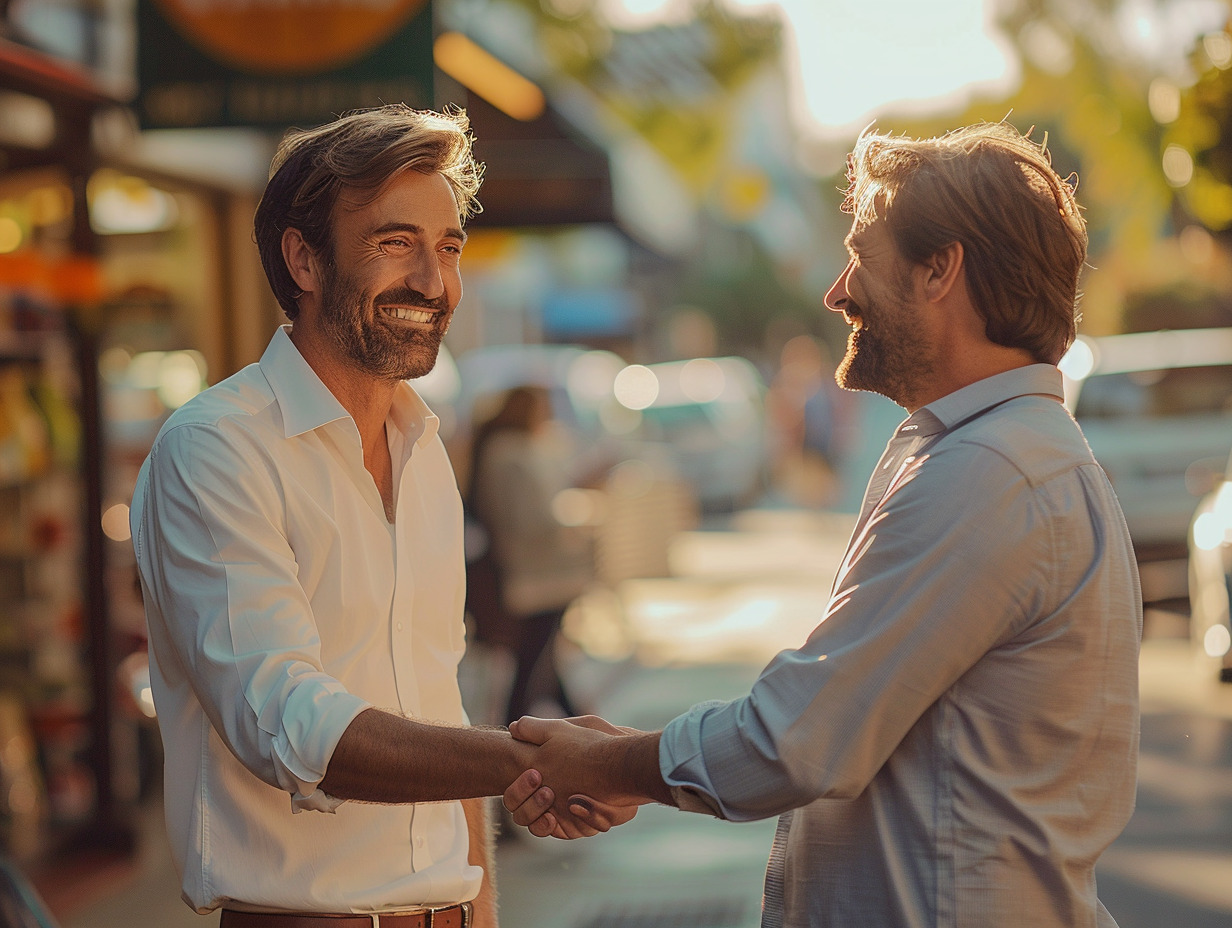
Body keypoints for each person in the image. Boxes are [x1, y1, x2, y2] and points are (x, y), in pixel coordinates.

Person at [503, 121, 1143, 928]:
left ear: (940, 268)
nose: (837, 291)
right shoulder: (1004, 458)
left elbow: (797, 740)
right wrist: (626, 761)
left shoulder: (991, 472)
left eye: (861, 254)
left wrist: (611, 763)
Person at [129, 104, 619, 928]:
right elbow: (286, 721)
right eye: (397, 244)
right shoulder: (215, 450)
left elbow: (438, 704)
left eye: (449, 248)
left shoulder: (425, 452)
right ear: (304, 259)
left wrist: (481, 905)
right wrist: (527, 762)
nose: (433, 282)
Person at [467, 384, 592, 723]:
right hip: (537, 574)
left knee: (541, 658)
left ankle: (580, 723)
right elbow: (529, 518)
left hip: (538, 572)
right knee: (533, 661)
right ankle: (519, 733)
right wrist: (574, 520)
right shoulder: (512, 453)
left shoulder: (511, 448)